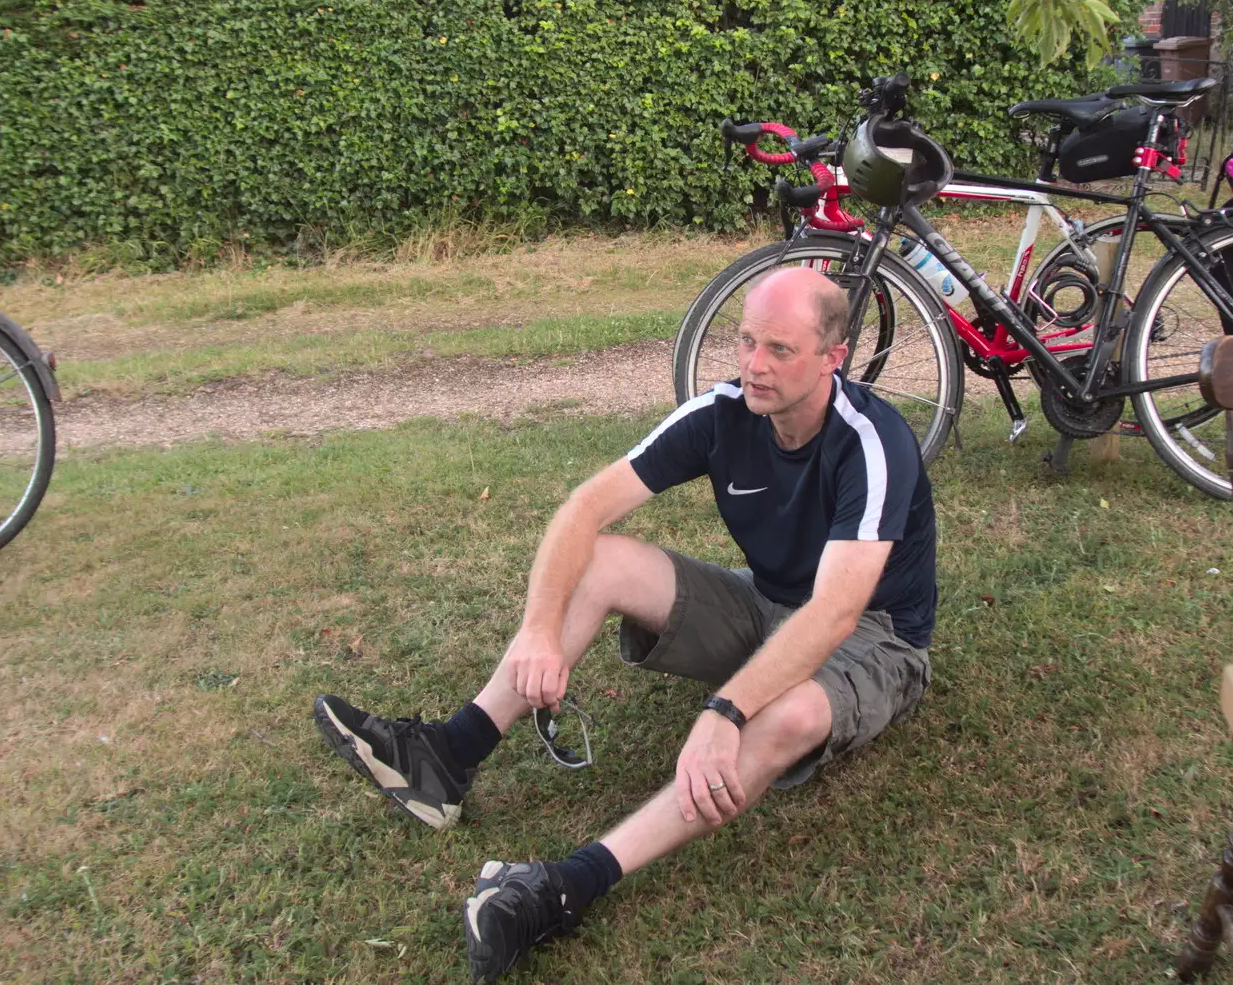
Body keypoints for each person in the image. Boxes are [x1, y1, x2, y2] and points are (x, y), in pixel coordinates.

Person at [313, 266, 938, 983]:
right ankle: (449, 757)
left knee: (787, 715)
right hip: (767, 602)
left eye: (780, 350)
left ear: (835, 355)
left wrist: (727, 710)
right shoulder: (723, 413)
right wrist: (538, 629)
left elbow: (835, 612)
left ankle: (566, 885)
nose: (754, 366)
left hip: (875, 639)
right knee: (602, 560)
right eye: (745, 342)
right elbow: (585, 508)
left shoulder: (872, 440)